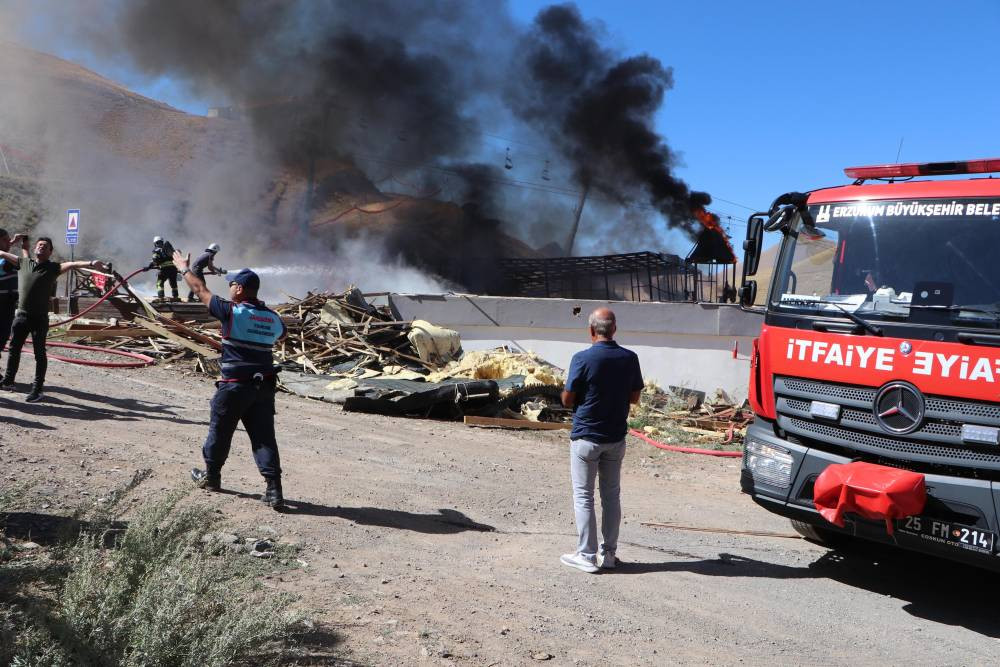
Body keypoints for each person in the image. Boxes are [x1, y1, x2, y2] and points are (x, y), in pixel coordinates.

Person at [175, 249, 288, 509]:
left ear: (239, 289)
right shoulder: (273, 318)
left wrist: (183, 268)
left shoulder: (231, 312)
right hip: (263, 389)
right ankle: (274, 490)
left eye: (231, 285)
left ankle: (212, 477)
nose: (229, 289)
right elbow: (282, 336)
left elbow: (200, 289)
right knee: (263, 437)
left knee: (220, 431)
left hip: (234, 387)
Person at [559, 307, 643, 573]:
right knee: (611, 496)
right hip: (615, 438)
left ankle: (586, 555)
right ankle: (609, 555)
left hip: (586, 438)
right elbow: (634, 397)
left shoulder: (582, 358)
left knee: (584, 496)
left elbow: (568, 399)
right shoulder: (630, 358)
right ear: (614, 329)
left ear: (592, 330)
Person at [0, 235, 106, 402]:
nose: (41, 247)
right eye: (39, 245)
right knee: (14, 350)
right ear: (35, 248)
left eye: (45, 246)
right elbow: (2, 253)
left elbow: (72, 264)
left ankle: (37, 389)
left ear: (50, 252)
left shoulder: (53, 268)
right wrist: (13, 243)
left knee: (39, 353)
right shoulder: (24, 263)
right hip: (21, 316)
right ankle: (8, 381)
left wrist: (92, 263)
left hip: (39, 318)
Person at [0, 229, 21, 370]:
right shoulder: (4, 261)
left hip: (7, 304)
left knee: (3, 336)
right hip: (2, 304)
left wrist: (10, 243)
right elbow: (23, 264)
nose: (9, 242)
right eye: (6, 240)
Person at [148, 236, 178, 301]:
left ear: (155, 243)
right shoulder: (168, 249)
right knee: (173, 283)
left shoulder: (156, 250)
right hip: (173, 269)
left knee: (159, 283)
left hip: (165, 269)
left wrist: (148, 267)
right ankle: (175, 297)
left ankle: (161, 297)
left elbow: (155, 260)